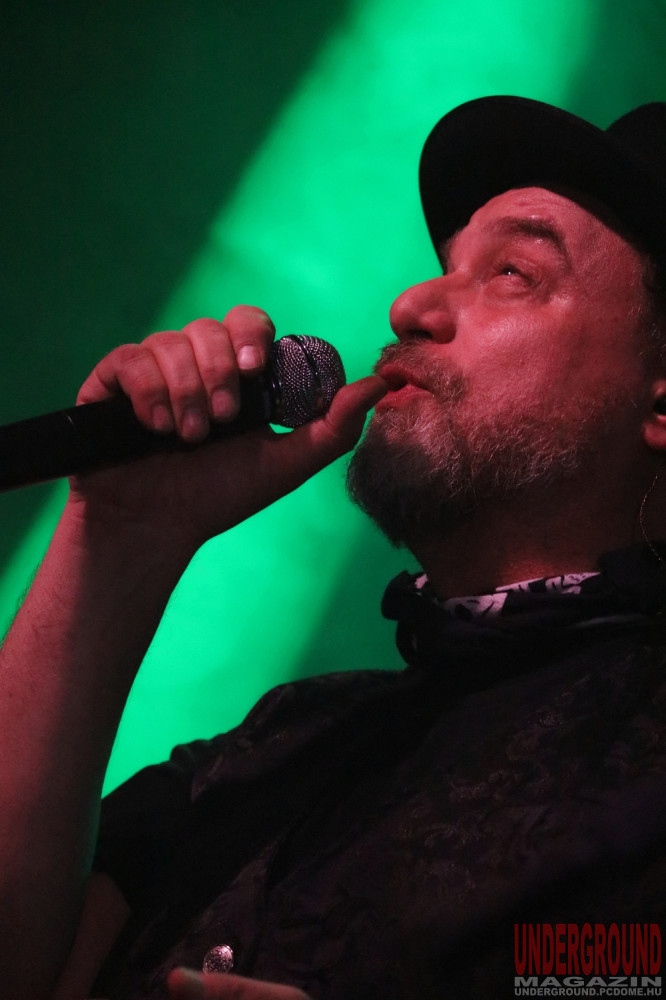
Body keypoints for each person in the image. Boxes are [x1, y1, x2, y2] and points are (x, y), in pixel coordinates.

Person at [1, 96, 666, 1000]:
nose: (410, 305)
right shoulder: (281, 742)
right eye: (447, 266)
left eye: (513, 271)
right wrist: (119, 538)